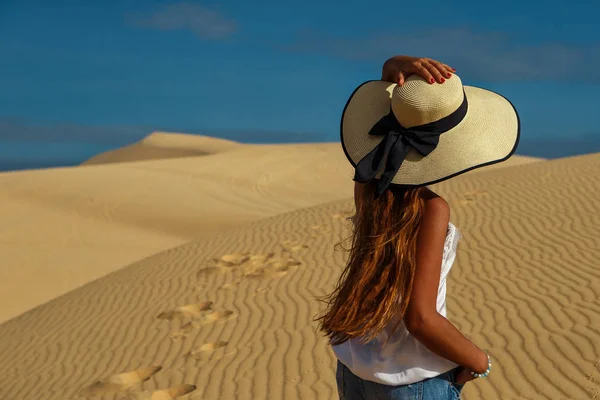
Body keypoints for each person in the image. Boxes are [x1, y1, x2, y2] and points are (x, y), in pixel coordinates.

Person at [315, 55, 520, 399]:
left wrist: (395, 65)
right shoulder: (431, 209)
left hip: (355, 375)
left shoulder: (368, 186)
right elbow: (420, 318)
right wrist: (479, 360)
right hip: (414, 384)